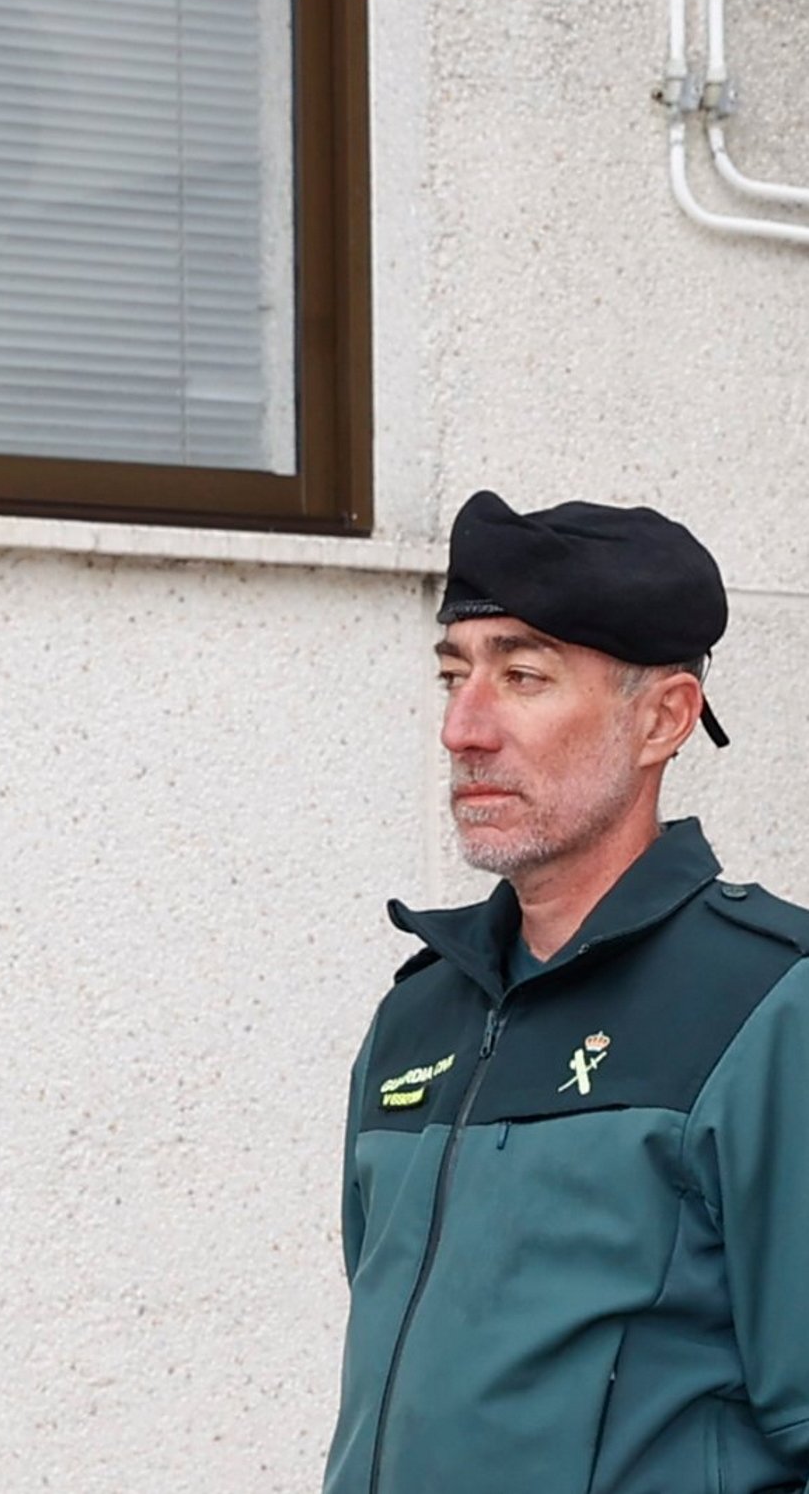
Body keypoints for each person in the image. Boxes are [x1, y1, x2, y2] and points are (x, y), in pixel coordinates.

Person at [324, 489, 809, 1494]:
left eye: (523, 675)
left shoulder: (771, 1007)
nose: (465, 726)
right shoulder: (419, 1016)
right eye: (454, 673)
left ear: (662, 719)